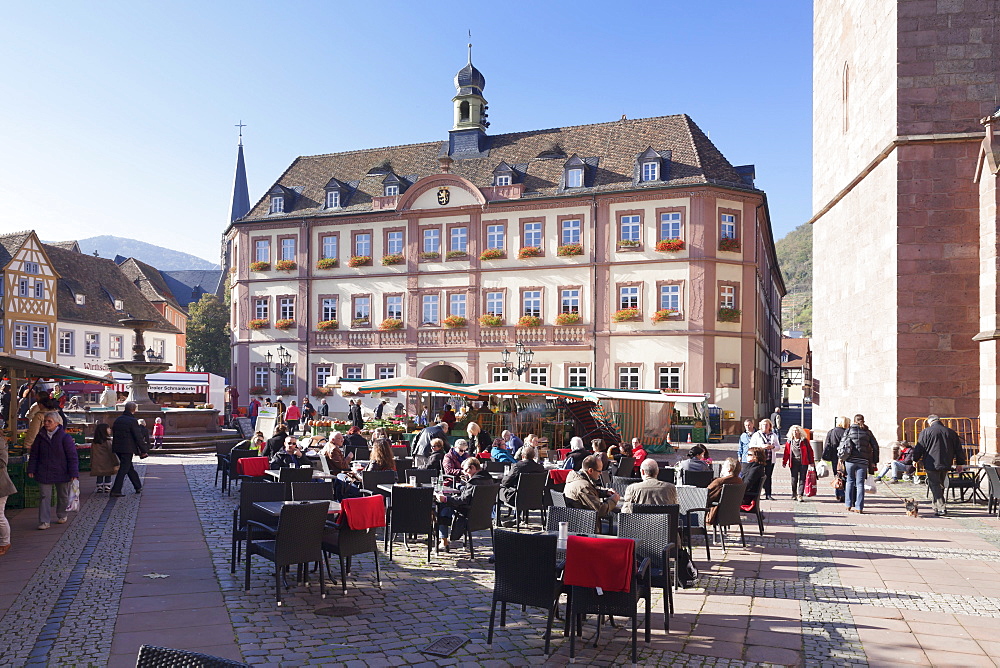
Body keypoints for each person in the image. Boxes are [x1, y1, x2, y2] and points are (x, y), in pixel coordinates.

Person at [29, 412, 79, 529]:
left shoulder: (65, 437)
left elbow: (72, 456)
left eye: (49, 421)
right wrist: (31, 468)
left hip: (62, 471)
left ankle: (62, 514)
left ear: (57, 423)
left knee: (63, 495)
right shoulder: (40, 436)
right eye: (45, 421)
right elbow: (34, 454)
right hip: (44, 471)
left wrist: (74, 473)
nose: (46, 423)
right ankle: (44, 521)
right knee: (44, 497)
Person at [912, 415, 966, 516]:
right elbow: (958, 449)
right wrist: (960, 463)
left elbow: (919, 447)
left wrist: (915, 459)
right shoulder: (951, 432)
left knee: (935, 484)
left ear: (929, 422)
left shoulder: (926, 432)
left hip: (931, 463)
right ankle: (936, 506)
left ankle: (941, 507)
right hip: (946, 462)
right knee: (939, 484)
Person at [436, 457, 494, 551]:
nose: (465, 473)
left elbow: (463, 500)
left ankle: (444, 541)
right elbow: (471, 493)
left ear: (473, 468)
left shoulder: (474, 481)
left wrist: (446, 499)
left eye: (466, 470)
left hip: (468, 516)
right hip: (484, 516)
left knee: (443, 508)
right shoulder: (489, 479)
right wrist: (461, 487)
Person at [838, 414, 879, 514]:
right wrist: (874, 461)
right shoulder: (868, 432)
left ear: (854, 421)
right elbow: (875, 446)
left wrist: (841, 458)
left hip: (850, 460)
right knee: (860, 484)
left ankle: (848, 504)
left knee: (849, 481)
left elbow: (842, 444)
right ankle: (859, 507)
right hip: (863, 461)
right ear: (863, 421)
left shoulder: (849, 430)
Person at [564, 455, 619, 521]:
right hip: (585, 526)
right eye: (599, 471)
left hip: (575, 520)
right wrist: (613, 500)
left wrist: (605, 492)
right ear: (590, 470)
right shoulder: (584, 487)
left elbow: (591, 490)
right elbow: (600, 510)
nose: (601, 473)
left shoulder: (576, 478)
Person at [110, 402, 147, 497]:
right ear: (134, 410)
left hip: (118, 447)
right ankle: (116, 490)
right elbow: (138, 437)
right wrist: (143, 450)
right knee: (124, 468)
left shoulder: (118, 420)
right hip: (127, 448)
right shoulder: (132, 421)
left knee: (129, 467)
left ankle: (138, 486)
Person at [782, 425, 815, 501]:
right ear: (791, 433)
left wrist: (811, 462)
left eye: (797, 431)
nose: (795, 432)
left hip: (803, 462)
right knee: (794, 479)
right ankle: (794, 493)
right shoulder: (789, 441)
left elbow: (810, 452)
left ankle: (800, 494)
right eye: (794, 431)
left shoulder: (804, 441)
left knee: (802, 479)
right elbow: (786, 452)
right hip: (793, 462)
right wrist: (784, 461)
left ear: (800, 432)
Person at [749, 418, 780, 500]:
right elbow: (751, 446)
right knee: (758, 476)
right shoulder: (757, 435)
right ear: (760, 426)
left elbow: (778, 447)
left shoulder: (773, 435)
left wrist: (772, 447)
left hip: (770, 459)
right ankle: (757, 494)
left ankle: (768, 494)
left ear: (770, 426)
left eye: (767, 425)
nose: (765, 426)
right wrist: (762, 447)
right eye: (764, 425)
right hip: (760, 459)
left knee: (768, 476)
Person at [822, 417, 851, 502]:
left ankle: (839, 493)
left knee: (837, 475)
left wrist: (824, 457)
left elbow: (827, 444)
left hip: (835, 457)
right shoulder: (847, 432)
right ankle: (845, 493)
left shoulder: (831, 431)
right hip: (846, 457)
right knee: (846, 476)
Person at [706, 458, 743, 524]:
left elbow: (706, 496)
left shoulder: (720, 482)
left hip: (717, 512)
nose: (722, 468)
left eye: (724, 466)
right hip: (731, 512)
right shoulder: (739, 481)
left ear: (729, 469)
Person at [0, 434, 16, 554]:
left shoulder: (0, 442)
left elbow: (3, 462)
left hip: (1, 485)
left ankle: (5, 542)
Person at [90, 423, 117, 493]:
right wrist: (116, 462)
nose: (110, 430)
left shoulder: (95, 442)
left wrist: (92, 462)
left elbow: (92, 452)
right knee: (108, 474)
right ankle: (107, 486)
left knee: (99, 474)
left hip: (97, 462)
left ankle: (99, 486)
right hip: (107, 462)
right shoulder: (108, 441)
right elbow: (111, 452)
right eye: (108, 428)